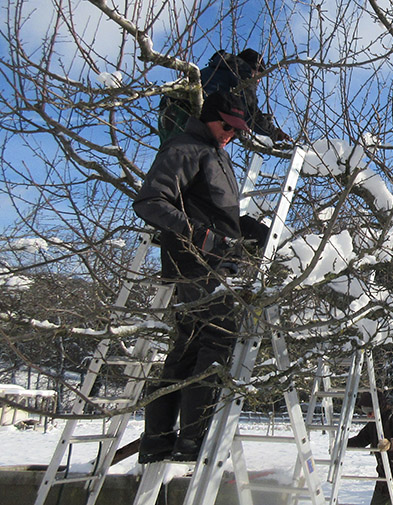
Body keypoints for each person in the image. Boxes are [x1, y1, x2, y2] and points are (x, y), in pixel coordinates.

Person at [134, 91, 269, 463]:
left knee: (186, 350)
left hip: (213, 264)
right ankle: (192, 440)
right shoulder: (185, 148)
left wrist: (245, 227)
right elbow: (150, 202)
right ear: (210, 115)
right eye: (226, 125)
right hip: (195, 265)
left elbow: (210, 212)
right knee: (217, 343)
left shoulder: (216, 153)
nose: (231, 133)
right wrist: (201, 236)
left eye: (237, 130)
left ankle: (157, 440)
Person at [158, 48, 290, 143]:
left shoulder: (220, 69)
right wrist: (273, 132)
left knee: (169, 158)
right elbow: (251, 113)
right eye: (259, 74)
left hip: (168, 113)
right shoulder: (242, 74)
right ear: (252, 69)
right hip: (187, 117)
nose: (258, 80)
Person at [347, 391, 393, 505]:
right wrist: (342, 444)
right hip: (385, 476)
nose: (368, 415)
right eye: (364, 411)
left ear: (378, 406)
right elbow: (361, 440)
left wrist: (390, 444)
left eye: (369, 411)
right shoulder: (373, 423)